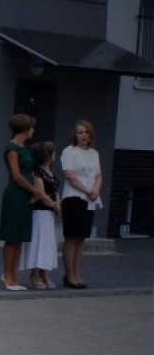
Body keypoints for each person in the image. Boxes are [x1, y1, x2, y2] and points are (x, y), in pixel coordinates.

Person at [0, 113, 46, 291]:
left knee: (19, 237)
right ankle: (8, 276)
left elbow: (31, 172)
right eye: (31, 127)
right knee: (12, 237)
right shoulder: (12, 148)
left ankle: (13, 275)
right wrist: (34, 190)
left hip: (26, 195)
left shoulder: (25, 148)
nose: (33, 130)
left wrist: (34, 191)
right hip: (15, 194)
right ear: (25, 129)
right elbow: (16, 176)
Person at [59, 119, 102, 289]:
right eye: (79, 132)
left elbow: (99, 175)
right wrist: (87, 190)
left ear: (90, 134)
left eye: (85, 132)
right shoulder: (69, 151)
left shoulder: (94, 154)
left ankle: (77, 273)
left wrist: (96, 190)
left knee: (82, 238)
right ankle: (69, 275)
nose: (83, 135)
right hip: (74, 198)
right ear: (75, 136)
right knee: (71, 237)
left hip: (90, 200)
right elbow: (69, 175)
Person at [22, 140, 62, 290]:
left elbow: (55, 190)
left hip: (49, 214)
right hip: (40, 212)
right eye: (53, 152)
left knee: (47, 244)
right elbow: (40, 192)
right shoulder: (38, 172)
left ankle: (44, 272)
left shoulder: (50, 172)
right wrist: (52, 203)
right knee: (39, 242)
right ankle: (34, 273)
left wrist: (58, 202)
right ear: (48, 155)